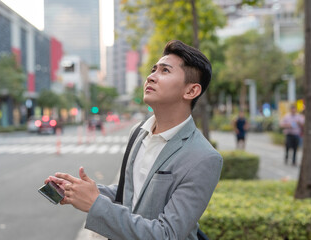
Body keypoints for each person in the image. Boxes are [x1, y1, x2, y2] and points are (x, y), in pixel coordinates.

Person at [44, 40, 223, 239]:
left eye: (164, 71)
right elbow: (131, 194)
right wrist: (81, 191)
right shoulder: (138, 132)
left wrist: (96, 204)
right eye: (153, 69)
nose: (150, 77)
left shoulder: (204, 158)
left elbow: (167, 235)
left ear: (191, 91)